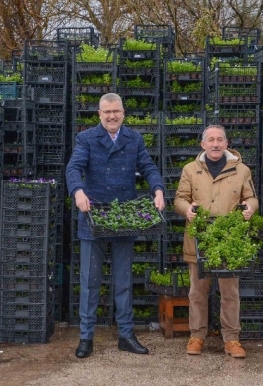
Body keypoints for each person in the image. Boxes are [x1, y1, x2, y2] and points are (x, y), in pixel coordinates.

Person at [66, 92, 166, 359]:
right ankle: (86, 337)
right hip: (93, 215)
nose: (112, 116)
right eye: (106, 112)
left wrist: (157, 189)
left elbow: (148, 166)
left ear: (123, 113)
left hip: (124, 215)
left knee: (123, 279)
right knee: (90, 281)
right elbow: (74, 168)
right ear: (99, 114)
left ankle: (126, 335)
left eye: (116, 111)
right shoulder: (86, 138)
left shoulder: (134, 138)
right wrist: (77, 191)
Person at [174, 124, 259, 358]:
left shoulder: (241, 170)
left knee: (230, 292)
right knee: (197, 292)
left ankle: (232, 339)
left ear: (226, 143)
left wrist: (250, 208)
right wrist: (187, 210)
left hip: (228, 240)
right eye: (210, 140)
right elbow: (180, 198)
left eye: (219, 140)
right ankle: (197, 336)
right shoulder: (190, 169)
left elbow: (251, 197)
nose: (215, 144)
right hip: (198, 239)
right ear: (203, 145)